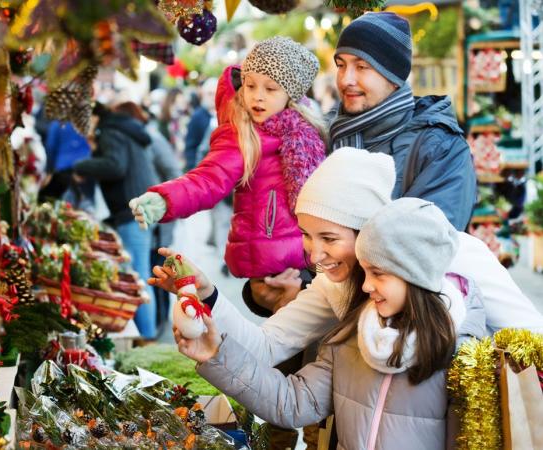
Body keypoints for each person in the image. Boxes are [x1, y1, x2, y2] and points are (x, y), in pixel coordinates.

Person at [149, 148, 543, 368]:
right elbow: (267, 346)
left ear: (367, 230)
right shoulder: (333, 284)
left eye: (329, 238)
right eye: (305, 234)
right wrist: (208, 294)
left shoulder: (458, 254)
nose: (315, 254)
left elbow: (532, 337)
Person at [176, 198, 482, 450]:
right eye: (365, 272)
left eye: (379, 274)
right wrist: (216, 354)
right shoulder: (354, 335)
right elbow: (293, 402)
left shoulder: (463, 354)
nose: (365, 286)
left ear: (415, 274)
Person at [129, 36, 327, 280]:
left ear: (291, 95)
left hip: (308, 255)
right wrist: (164, 199)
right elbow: (209, 178)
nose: (258, 96)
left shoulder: (307, 129)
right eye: (251, 85)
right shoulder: (243, 133)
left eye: (271, 88)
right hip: (269, 260)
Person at [329, 12, 476, 232]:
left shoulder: (441, 148)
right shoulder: (323, 133)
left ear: (394, 76)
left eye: (361, 67)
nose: (346, 79)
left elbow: (426, 241)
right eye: (341, 65)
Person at [72, 103, 159, 339]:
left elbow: (115, 166)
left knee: (136, 278)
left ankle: (147, 341)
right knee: (139, 275)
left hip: (132, 211)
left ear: (96, 117)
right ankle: (146, 337)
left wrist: (81, 166)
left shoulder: (110, 132)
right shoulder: (122, 129)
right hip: (139, 208)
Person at [113, 101, 183, 336]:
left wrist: (162, 200)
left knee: (157, 272)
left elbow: (174, 172)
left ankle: (160, 325)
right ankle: (158, 324)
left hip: (159, 216)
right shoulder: (136, 139)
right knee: (153, 272)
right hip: (146, 215)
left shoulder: (151, 138)